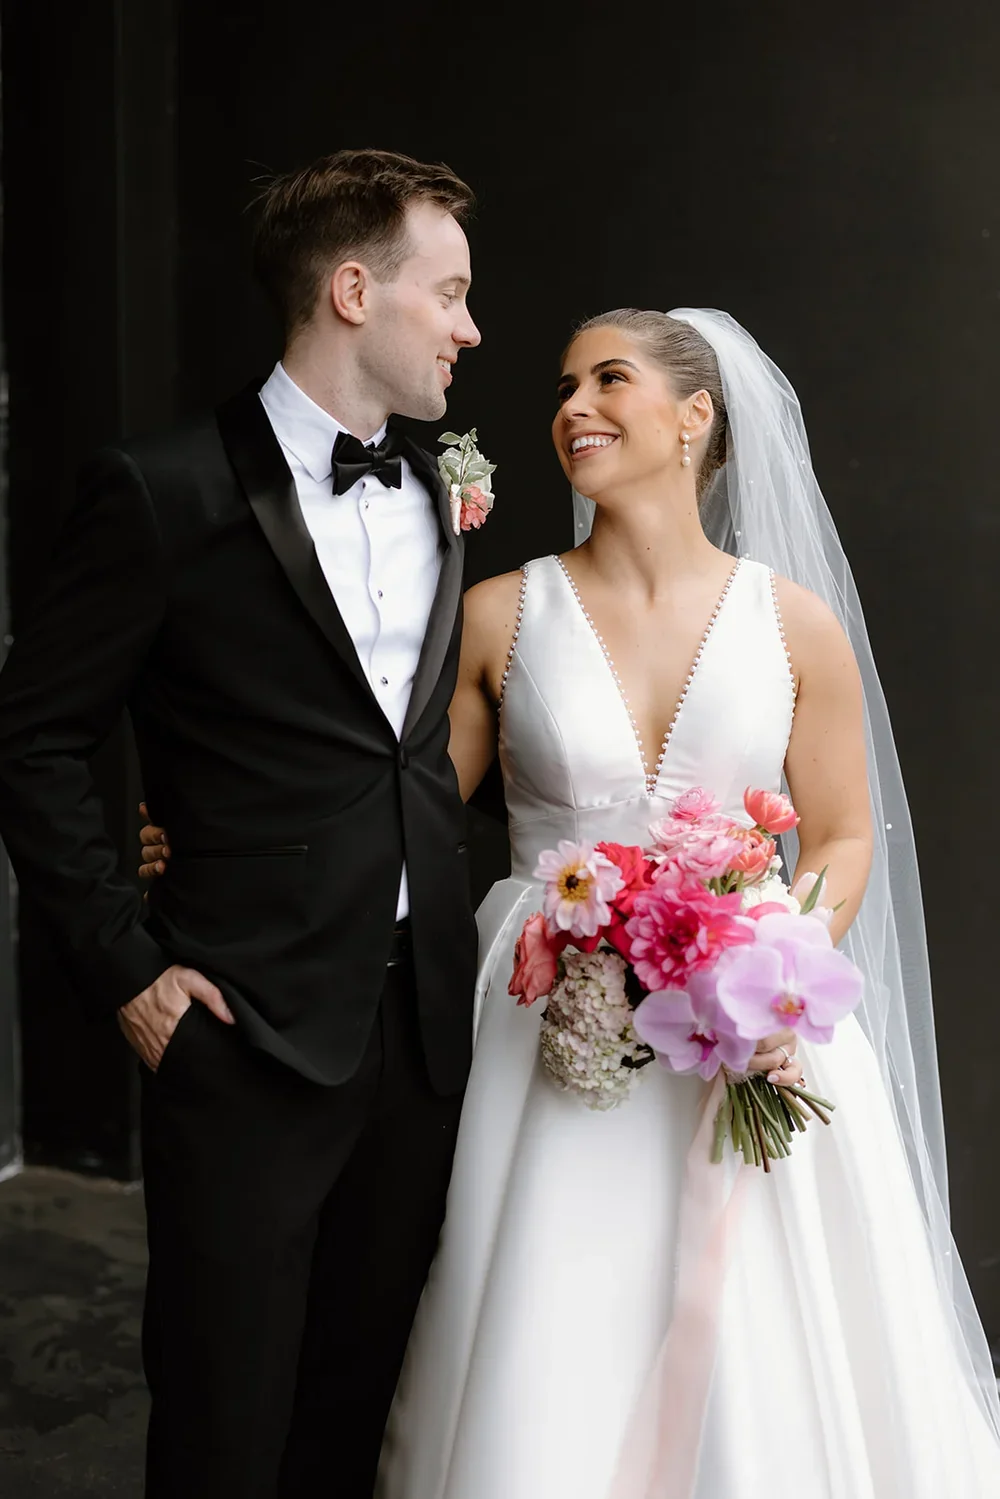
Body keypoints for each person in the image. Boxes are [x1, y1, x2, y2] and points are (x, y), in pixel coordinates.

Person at [136, 311, 1000, 1491]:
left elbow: (843, 834)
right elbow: (396, 805)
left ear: (694, 416)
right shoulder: (501, 611)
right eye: (562, 386)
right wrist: (213, 831)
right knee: (546, 1325)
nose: (573, 407)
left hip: (743, 1025)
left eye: (609, 379)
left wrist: (774, 963)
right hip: (535, 1017)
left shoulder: (794, 623)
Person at [0, 148, 483, 1498]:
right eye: (449, 293)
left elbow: (408, 745)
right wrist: (126, 968)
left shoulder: (448, 485)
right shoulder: (160, 488)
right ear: (352, 291)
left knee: (359, 1405)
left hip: (424, 1027)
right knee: (224, 1414)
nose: (470, 329)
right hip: (243, 1026)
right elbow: (32, 736)